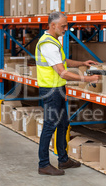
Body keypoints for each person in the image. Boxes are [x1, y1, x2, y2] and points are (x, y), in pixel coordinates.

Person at [35, 12, 100, 176]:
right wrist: (87, 78)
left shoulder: (54, 41)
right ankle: (43, 164)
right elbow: (63, 72)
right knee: (50, 126)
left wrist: (82, 63)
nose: (66, 28)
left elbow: (63, 61)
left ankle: (63, 160)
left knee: (63, 124)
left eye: (66, 25)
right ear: (53, 25)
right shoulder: (48, 44)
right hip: (51, 90)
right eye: (63, 26)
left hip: (58, 89)